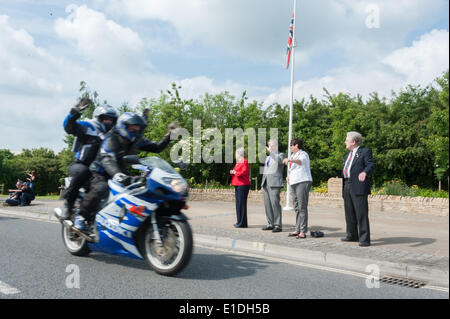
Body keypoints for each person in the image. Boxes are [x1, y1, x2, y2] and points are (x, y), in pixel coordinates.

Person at [72, 112, 178, 234]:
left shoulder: (136, 140)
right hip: (99, 171)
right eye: (132, 128)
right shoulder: (112, 138)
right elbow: (107, 159)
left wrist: (169, 135)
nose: (135, 131)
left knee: (140, 190)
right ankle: (81, 217)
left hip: (119, 171)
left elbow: (156, 147)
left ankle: (132, 225)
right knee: (101, 188)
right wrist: (117, 174)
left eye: (138, 128)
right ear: (123, 126)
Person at [56, 98, 118, 222]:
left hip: (98, 174)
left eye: (111, 119)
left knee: (111, 187)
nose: (108, 121)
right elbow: (68, 127)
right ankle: (68, 204)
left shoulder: (113, 136)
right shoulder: (88, 126)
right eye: (106, 118)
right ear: (98, 117)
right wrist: (74, 113)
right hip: (80, 166)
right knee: (82, 170)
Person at [341, 131, 375, 247]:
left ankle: (364, 239)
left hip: (359, 185)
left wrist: (365, 172)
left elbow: (370, 164)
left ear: (353, 142)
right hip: (347, 184)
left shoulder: (364, 152)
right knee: (349, 212)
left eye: (346, 139)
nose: (345, 142)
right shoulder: (347, 155)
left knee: (361, 213)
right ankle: (352, 235)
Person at [283, 138, 312, 239]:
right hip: (293, 182)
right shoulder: (293, 155)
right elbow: (292, 169)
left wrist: (289, 160)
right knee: (296, 206)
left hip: (302, 181)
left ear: (297, 146)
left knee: (302, 206)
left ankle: (303, 231)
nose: (290, 147)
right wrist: (289, 176)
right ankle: (297, 228)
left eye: (292, 145)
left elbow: (300, 162)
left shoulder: (303, 154)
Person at [260, 139, 285, 233]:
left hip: (275, 183)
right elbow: (265, 171)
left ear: (276, 146)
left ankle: (278, 225)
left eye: (271, 145)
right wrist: (262, 184)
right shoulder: (268, 158)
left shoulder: (281, 155)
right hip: (266, 183)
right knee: (267, 205)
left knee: (275, 204)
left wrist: (271, 152)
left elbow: (279, 161)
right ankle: (271, 223)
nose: (269, 147)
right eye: (269, 145)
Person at [230, 147, 251, 228]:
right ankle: (240, 221)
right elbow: (236, 173)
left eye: (236, 153)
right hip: (238, 184)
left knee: (241, 204)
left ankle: (242, 223)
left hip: (243, 185)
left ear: (239, 154)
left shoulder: (244, 162)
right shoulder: (238, 162)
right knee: (238, 204)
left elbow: (243, 172)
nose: (235, 155)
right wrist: (233, 172)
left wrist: (235, 172)